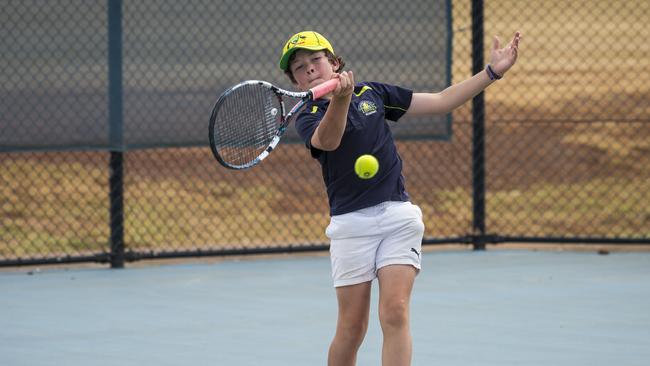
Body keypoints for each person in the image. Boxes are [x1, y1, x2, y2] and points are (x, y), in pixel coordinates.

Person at [279, 30, 521, 366]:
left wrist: (492, 73)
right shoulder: (307, 115)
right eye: (299, 68)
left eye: (316, 59)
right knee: (352, 328)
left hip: (397, 217)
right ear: (296, 81)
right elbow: (329, 141)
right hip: (350, 226)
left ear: (334, 62)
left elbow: (441, 101)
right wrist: (340, 99)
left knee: (395, 312)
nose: (309, 69)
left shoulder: (373, 93)